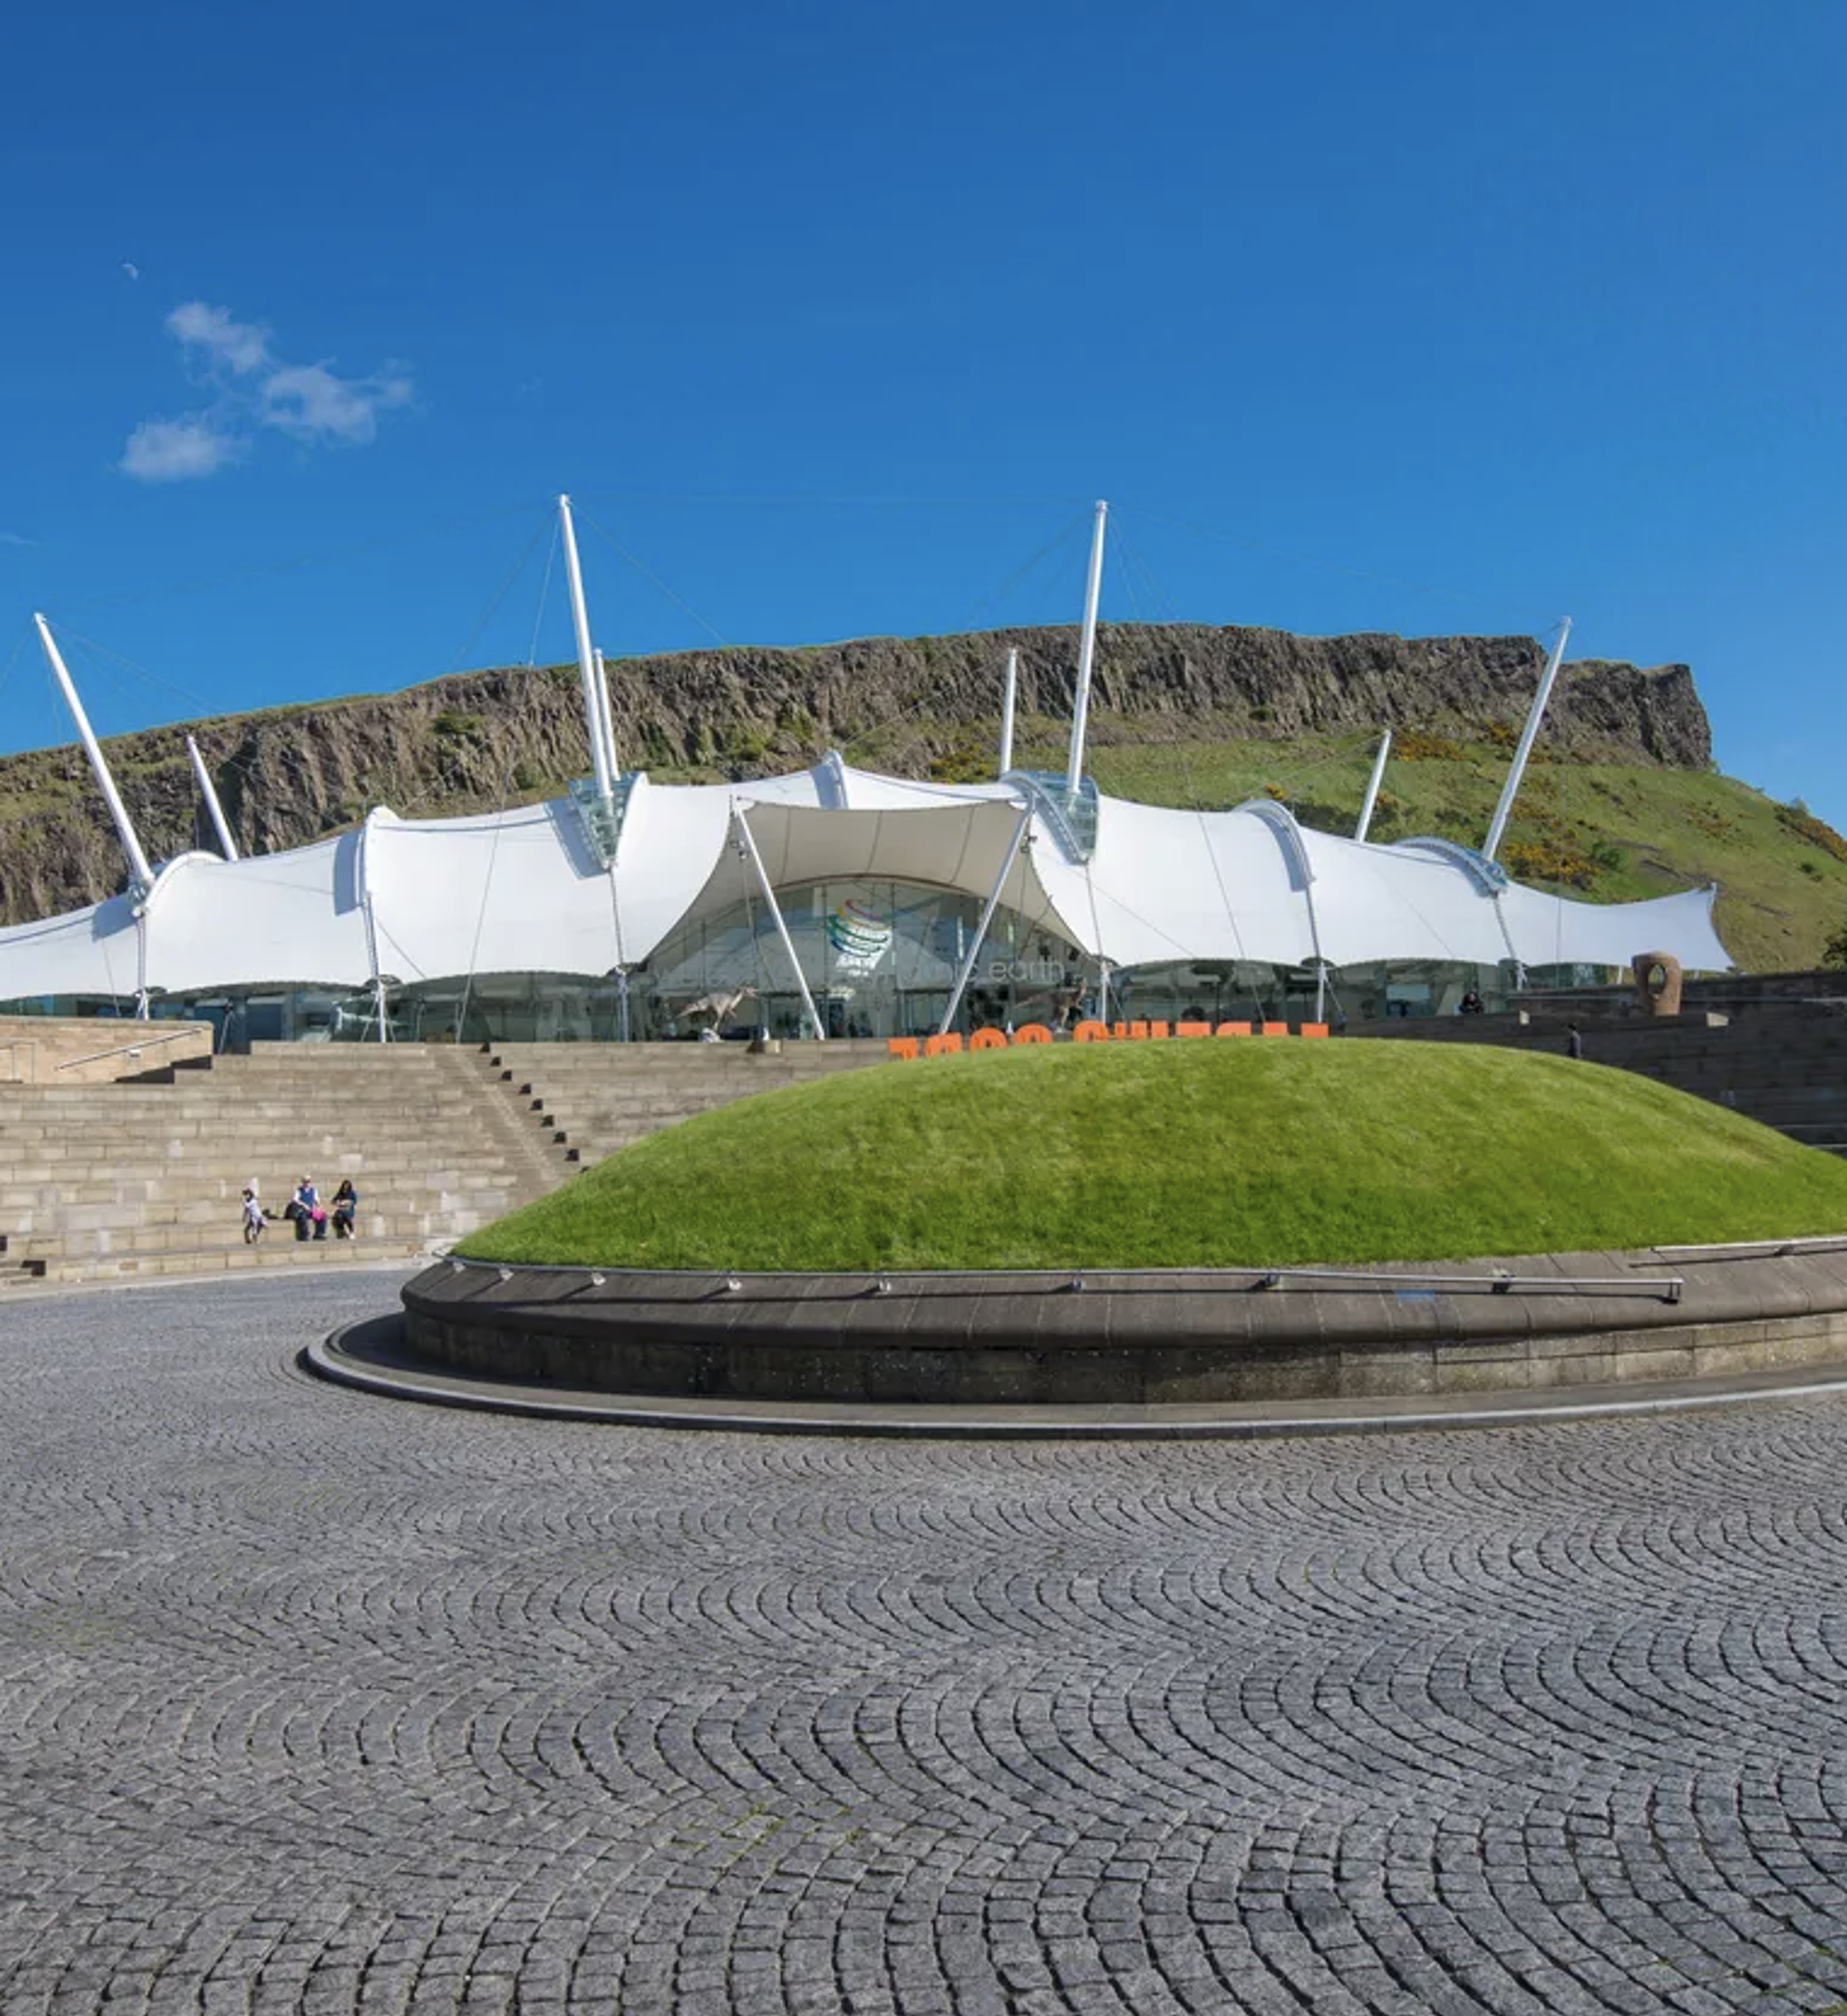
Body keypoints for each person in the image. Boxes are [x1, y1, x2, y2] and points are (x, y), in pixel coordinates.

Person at [291, 1174, 324, 1242]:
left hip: (311, 1211)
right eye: (305, 1181)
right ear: (302, 1182)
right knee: (303, 1217)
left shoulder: (313, 1190)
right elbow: (295, 1200)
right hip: (302, 1210)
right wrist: (304, 1205)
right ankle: (305, 1235)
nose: (307, 1183)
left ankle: (319, 1234)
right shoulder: (299, 1190)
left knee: (322, 1215)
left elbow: (317, 1200)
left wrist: (319, 1207)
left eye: (308, 1181)